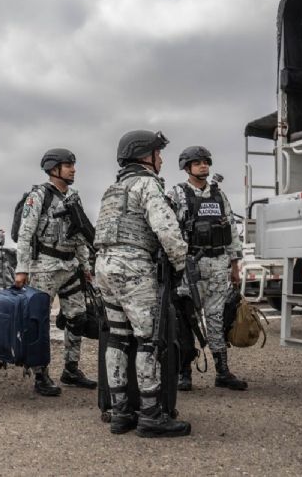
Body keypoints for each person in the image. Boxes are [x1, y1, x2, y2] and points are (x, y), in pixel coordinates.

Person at [93, 130, 191, 437]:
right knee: (148, 339)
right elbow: (167, 229)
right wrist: (180, 267)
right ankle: (151, 414)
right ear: (144, 155)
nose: (161, 158)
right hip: (133, 266)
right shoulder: (147, 183)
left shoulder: (112, 189)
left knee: (118, 338)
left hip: (105, 265)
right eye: (157, 153)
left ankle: (121, 412)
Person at [14, 148, 97, 396]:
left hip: (70, 267)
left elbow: (81, 234)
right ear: (53, 169)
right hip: (45, 267)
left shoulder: (74, 197)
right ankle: (41, 374)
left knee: (78, 318)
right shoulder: (38, 196)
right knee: (39, 321)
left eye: (73, 164)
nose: (73, 169)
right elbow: (25, 234)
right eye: (67, 165)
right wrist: (22, 269)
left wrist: (86, 266)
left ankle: (71, 369)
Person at [167, 146, 247, 391]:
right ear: (187, 167)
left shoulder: (218, 195)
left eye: (205, 162)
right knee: (186, 321)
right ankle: (184, 372)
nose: (203, 166)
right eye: (197, 162)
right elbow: (169, 230)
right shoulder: (177, 194)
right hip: (191, 267)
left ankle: (222, 372)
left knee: (216, 319)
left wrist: (235, 265)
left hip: (218, 264)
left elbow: (231, 230)